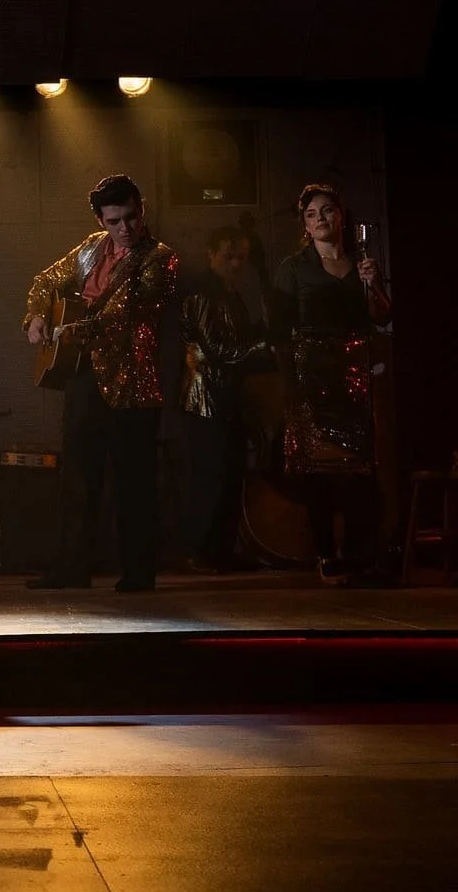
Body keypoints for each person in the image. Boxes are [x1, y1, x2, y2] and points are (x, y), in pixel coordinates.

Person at [23, 174, 179, 593]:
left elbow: (135, 315)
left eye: (131, 217)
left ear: (141, 210)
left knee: (134, 483)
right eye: (114, 220)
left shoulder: (159, 258)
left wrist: (74, 330)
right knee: (77, 476)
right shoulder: (90, 249)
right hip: (84, 375)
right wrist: (38, 316)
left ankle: (139, 573)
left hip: (133, 383)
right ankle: (72, 568)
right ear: (100, 219)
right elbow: (45, 281)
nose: (125, 228)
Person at [268, 182, 392, 585]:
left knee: (359, 470)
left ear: (341, 215)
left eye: (328, 211)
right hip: (310, 377)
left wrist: (372, 282)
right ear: (305, 225)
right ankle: (326, 554)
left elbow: (382, 317)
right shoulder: (293, 267)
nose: (321, 219)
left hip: (353, 374)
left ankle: (356, 554)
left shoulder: (361, 262)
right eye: (312, 214)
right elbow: (279, 331)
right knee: (318, 471)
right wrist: (290, 386)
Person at [179, 224, 269, 572]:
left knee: (229, 475)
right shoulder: (204, 293)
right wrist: (264, 343)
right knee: (210, 475)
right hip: (206, 398)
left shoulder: (228, 294)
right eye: (229, 256)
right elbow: (219, 348)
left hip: (225, 397)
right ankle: (200, 551)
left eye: (241, 257)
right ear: (212, 254)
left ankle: (218, 551)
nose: (235, 263)